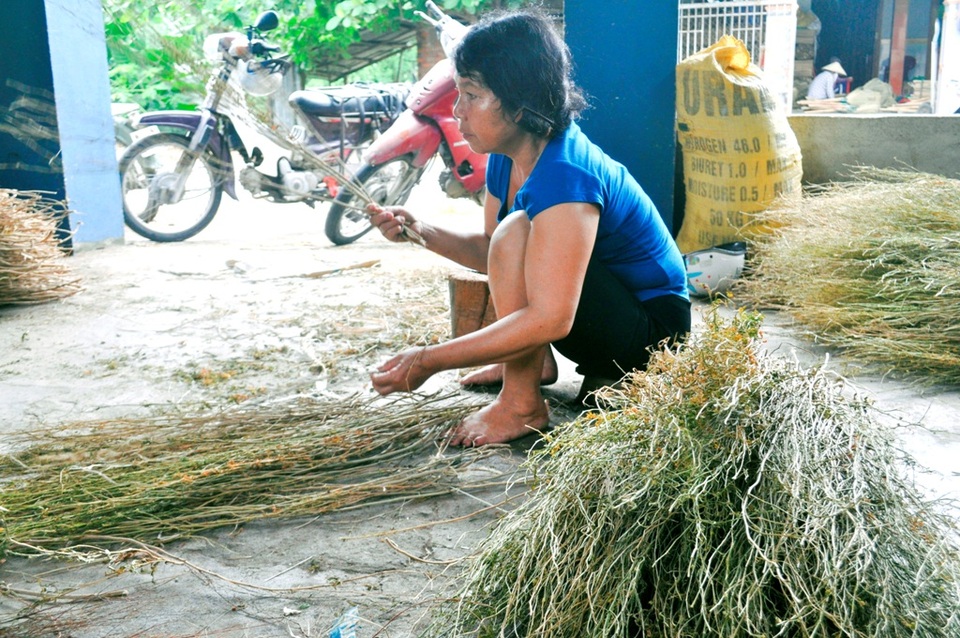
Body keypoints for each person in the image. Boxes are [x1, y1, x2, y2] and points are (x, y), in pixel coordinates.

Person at [367, 10, 691, 446]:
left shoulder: (566, 174)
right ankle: (531, 364)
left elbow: (551, 317)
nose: (457, 111)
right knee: (511, 233)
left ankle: (521, 404)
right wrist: (421, 230)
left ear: (520, 103)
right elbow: (492, 250)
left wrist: (429, 360)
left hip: (652, 336)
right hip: (602, 314)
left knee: (516, 229)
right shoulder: (506, 157)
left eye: (471, 95)